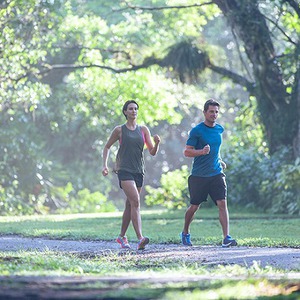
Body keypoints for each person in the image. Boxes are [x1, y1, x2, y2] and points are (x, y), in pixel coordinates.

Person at [102, 100, 161, 250]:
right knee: (135, 201)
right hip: (124, 169)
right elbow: (107, 146)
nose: (134, 111)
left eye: (135, 109)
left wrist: (157, 143)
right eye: (130, 109)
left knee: (130, 204)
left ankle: (121, 237)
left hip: (138, 170)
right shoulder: (119, 130)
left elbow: (152, 152)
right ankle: (140, 238)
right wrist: (105, 165)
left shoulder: (143, 130)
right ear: (125, 112)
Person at [180, 99, 237, 248]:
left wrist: (220, 160)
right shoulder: (197, 130)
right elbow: (187, 151)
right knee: (194, 206)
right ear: (205, 112)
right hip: (199, 175)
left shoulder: (219, 129)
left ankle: (226, 238)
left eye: (216, 112)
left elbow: (215, 149)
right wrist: (201, 152)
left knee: (222, 203)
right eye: (211, 111)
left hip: (216, 173)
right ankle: (185, 232)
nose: (214, 114)